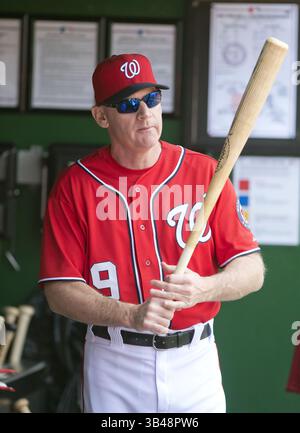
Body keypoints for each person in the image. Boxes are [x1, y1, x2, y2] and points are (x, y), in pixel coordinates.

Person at [39, 53, 265, 413]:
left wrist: (204, 288)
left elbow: (252, 271)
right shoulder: (75, 186)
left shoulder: (206, 173)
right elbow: (59, 291)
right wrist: (130, 315)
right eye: (128, 104)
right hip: (115, 360)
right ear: (101, 116)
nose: (145, 113)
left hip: (196, 359)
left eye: (152, 99)